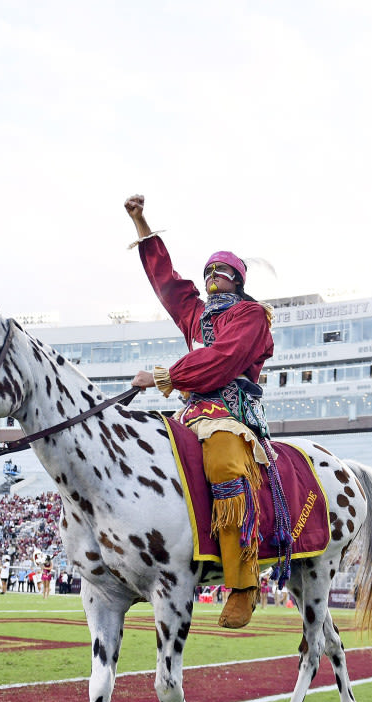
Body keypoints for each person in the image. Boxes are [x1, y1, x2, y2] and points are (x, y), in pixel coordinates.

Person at [125, 194, 274, 629]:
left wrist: (163, 376)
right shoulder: (197, 315)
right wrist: (140, 222)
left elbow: (223, 360)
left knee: (226, 463)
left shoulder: (251, 316)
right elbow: (167, 283)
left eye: (221, 271)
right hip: (190, 412)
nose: (212, 276)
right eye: (207, 270)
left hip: (231, 413)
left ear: (238, 279)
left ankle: (244, 583)